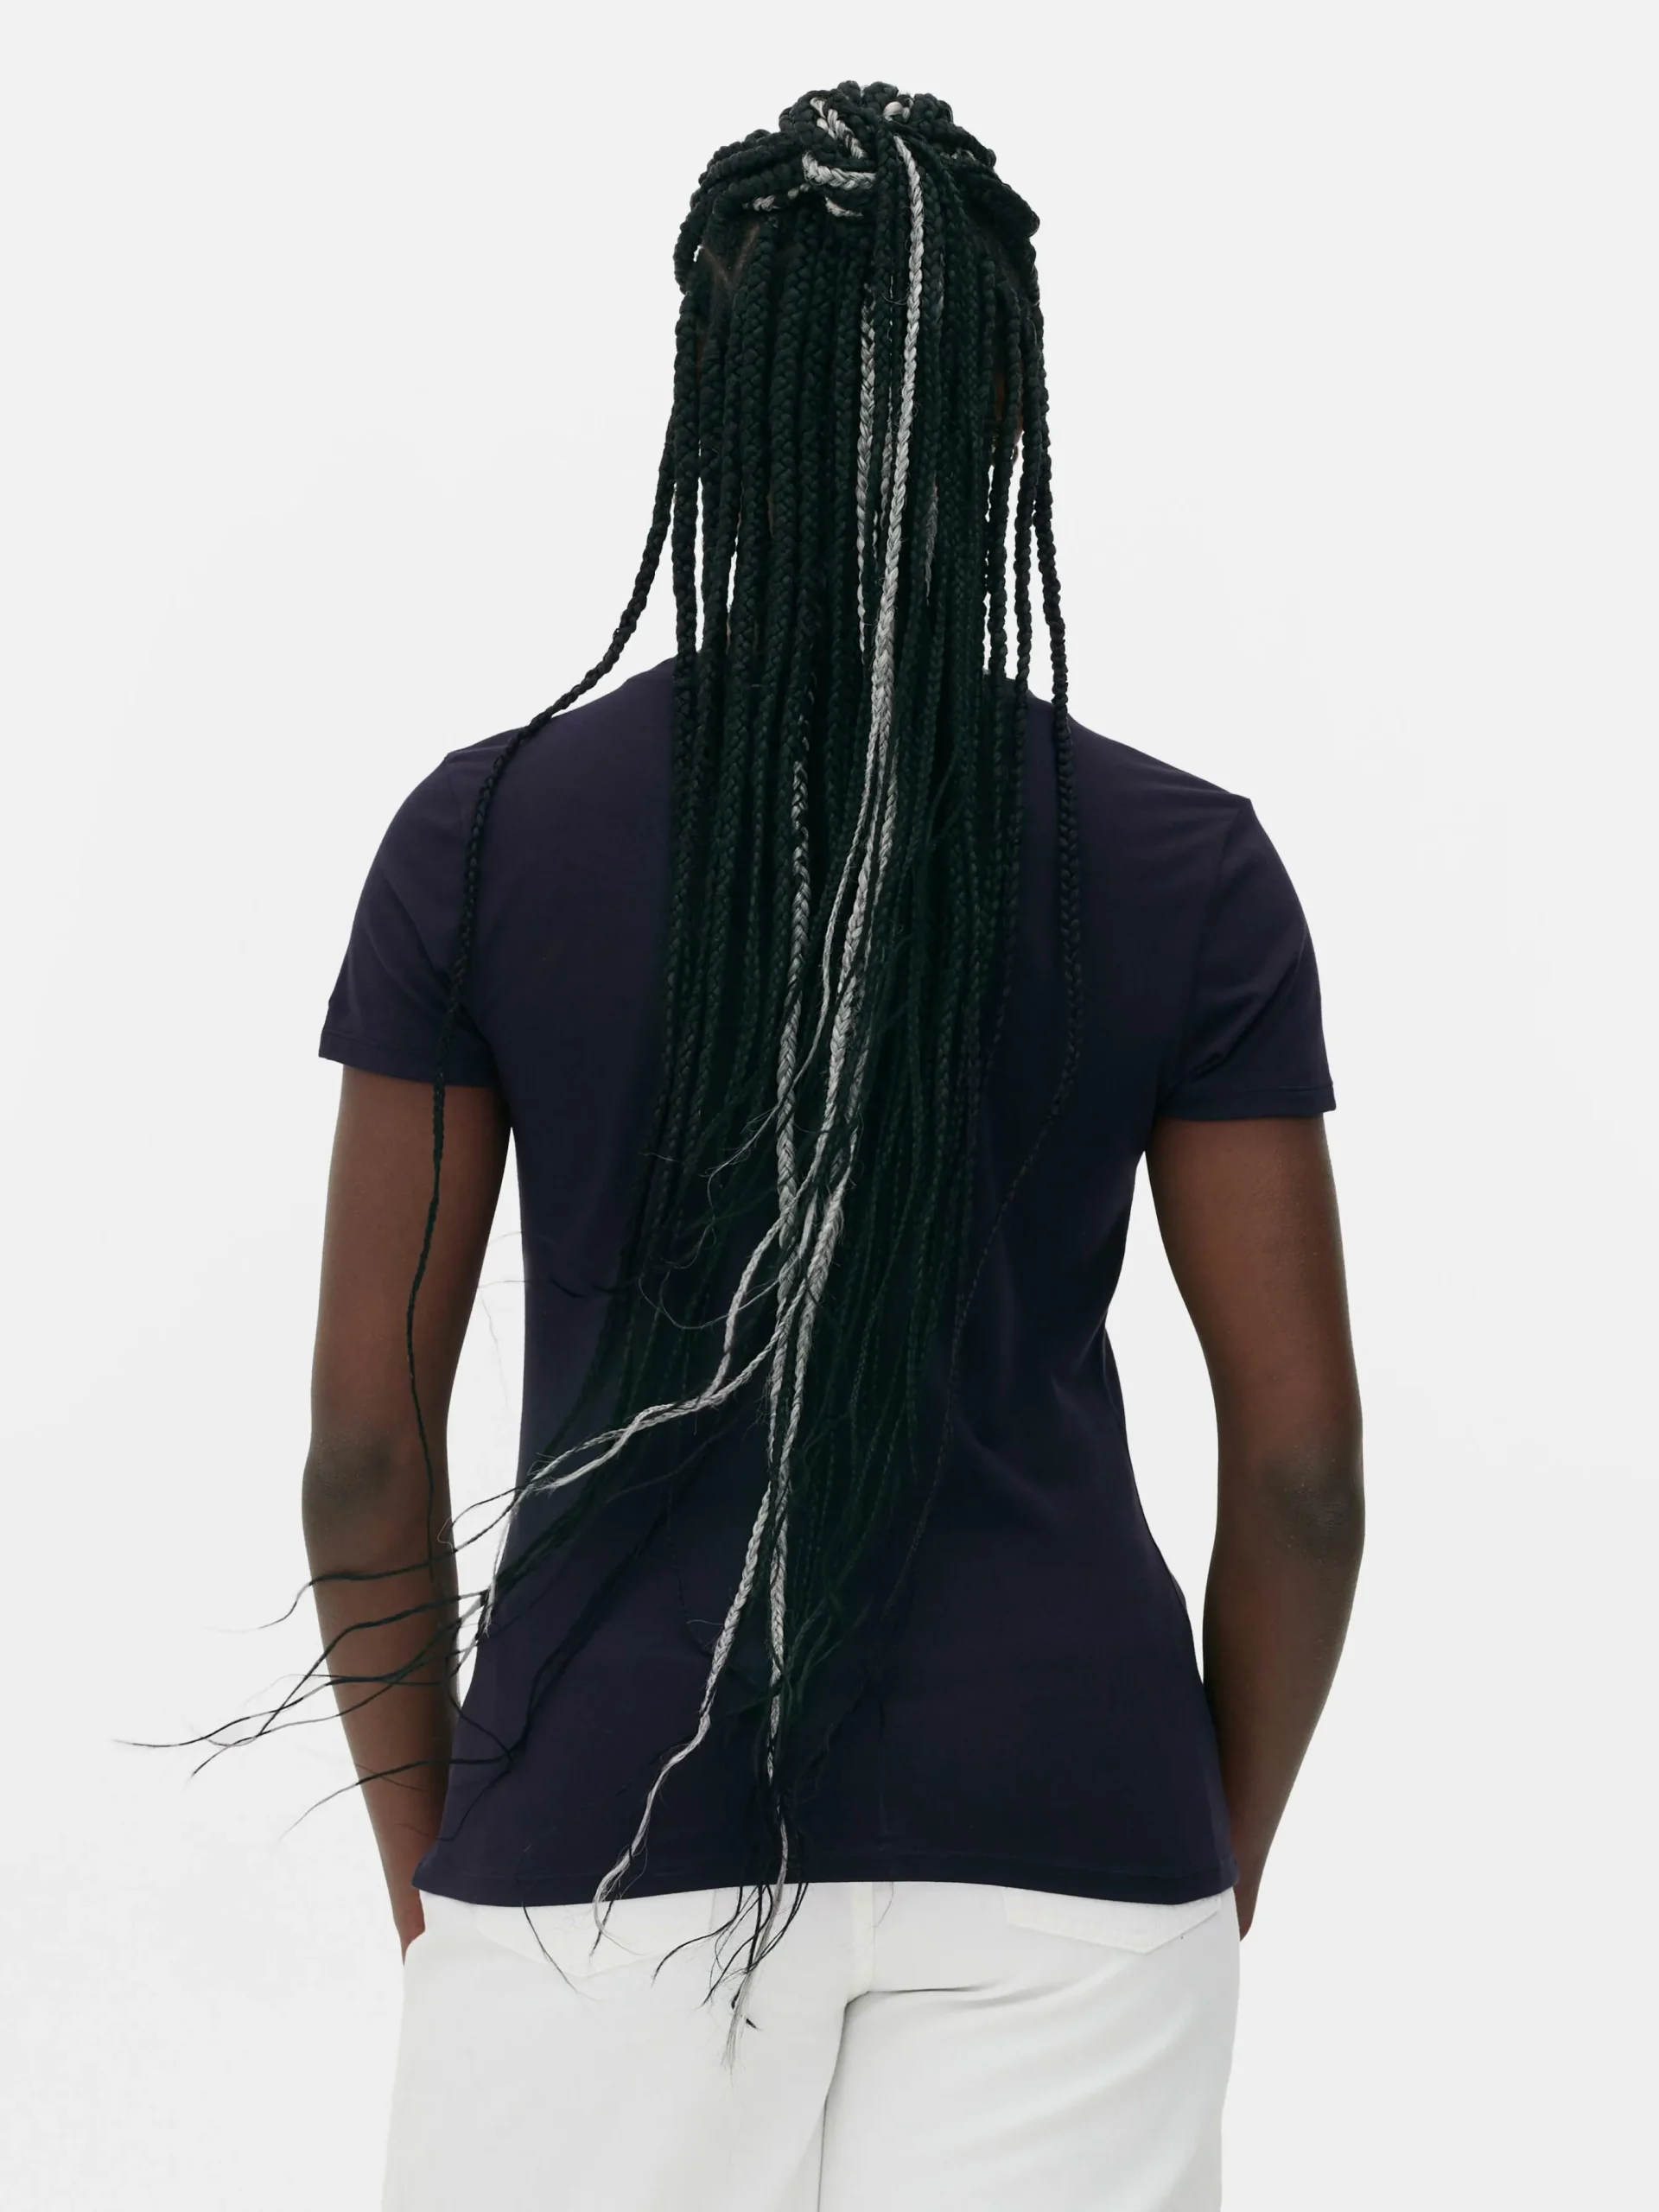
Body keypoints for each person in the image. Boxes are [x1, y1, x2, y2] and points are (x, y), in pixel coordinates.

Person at [304, 81, 1364, 2212]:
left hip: (596, 1826)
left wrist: (454, 1865)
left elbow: (361, 1450)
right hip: (1072, 1824)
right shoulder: (1180, 862)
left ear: (709, 405)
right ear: (1006, 418)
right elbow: (1305, 1471)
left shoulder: (485, 840)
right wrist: (1191, 1856)